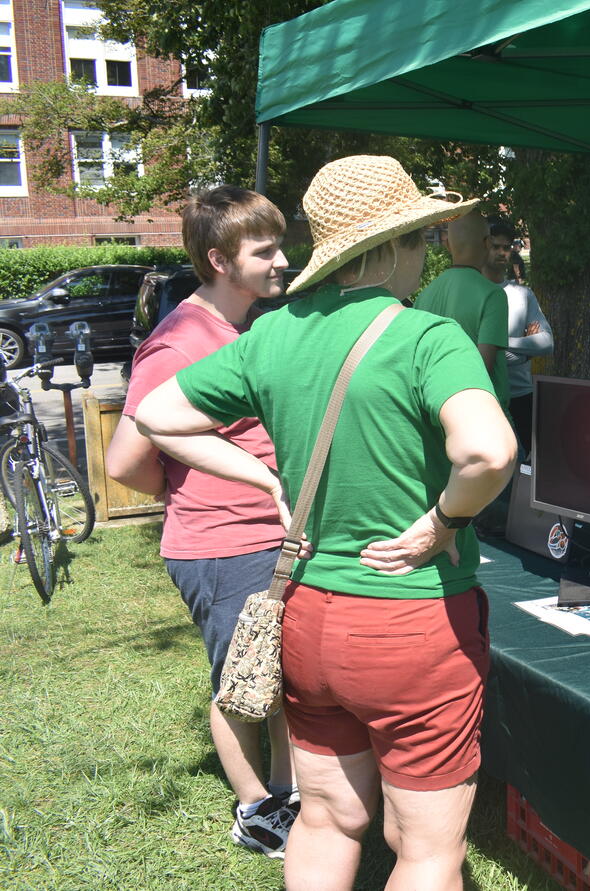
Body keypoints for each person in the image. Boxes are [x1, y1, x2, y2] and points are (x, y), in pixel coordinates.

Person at [133, 155, 516, 890]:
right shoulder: (428, 337)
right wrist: (443, 521)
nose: (429, 254)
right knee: (428, 849)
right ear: (396, 246)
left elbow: (156, 414)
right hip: (412, 623)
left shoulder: (274, 332)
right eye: (422, 238)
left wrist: (267, 481)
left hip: (308, 618)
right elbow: (488, 452)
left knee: (326, 819)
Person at [105, 185, 298, 858]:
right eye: (264, 251)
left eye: (279, 246)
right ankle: (255, 809)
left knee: (279, 674)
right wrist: (195, 490)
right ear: (219, 260)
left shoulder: (245, 326)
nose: (282, 261)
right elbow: (125, 461)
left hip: (268, 535)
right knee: (240, 680)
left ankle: (289, 793)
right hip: (222, 545)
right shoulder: (179, 341)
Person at [416, 209, 511, 413]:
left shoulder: (424, 295)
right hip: (483, 413)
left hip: (435, 411)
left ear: (447, 245)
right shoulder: (493, 295)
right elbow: (481, 369)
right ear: (487, 243)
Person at [484, 216, 552, 454]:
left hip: (521, 395)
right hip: (484, 397)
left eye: (506, 247)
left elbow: (546, 343)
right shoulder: (472, 292)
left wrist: (497, 344)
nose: (502, 253)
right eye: (495, 246)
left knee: (531, 465)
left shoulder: (522, 294)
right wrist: (524, 349)